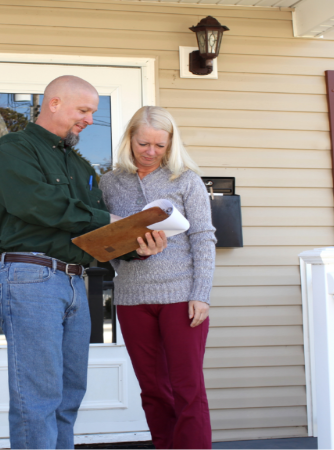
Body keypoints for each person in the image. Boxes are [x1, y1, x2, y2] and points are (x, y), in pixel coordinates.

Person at [0, 76, 167, 449]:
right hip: (29, 276)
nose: (88, 119)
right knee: (38, 396)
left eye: (93, 112)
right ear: (53, 103)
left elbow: (93, 231)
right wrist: (108, 223)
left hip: (74, 282)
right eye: (83, 110)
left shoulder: (81, 166)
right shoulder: (14, 149)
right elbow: (36, 204)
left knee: (69, 393)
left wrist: (136, 245)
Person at [99, 106, 216, 449]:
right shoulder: (109, 182)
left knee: (188, 389)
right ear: (129, 140)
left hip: (181, 297)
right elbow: (106, 240)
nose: (150, 151)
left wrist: (202, 293)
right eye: (143, 143)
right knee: (153, 389)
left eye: (159, 145)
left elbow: (203, 237)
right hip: (132, 298)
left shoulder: (187, 180)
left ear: (170, 144)